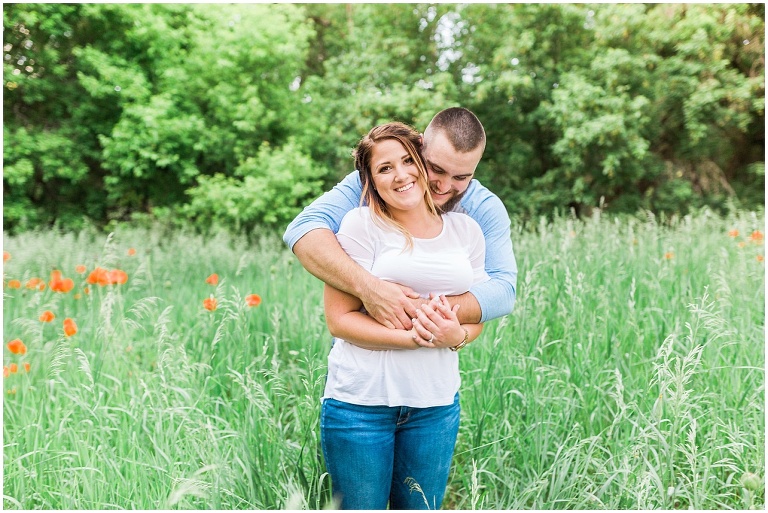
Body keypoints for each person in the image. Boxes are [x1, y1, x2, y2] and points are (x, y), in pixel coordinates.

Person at [320, 121, 489, 509]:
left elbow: (477, 315)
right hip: (360, 407)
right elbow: (340, 321)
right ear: (370, 180)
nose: (401, 175)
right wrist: (417, 338)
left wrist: (456, 337)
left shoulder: (466, 231)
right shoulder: (359, 226)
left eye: (408, 161)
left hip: (435, 408)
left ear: (421, 162)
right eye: (384, 168)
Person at [283, 107, 517, 329]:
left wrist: (415, 310)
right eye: (436, 169)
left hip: (432, 360)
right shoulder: (372, 185)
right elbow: (303, 229)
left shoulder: (483, 209)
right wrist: (371, 289)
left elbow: (503, 291)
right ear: (420, 146)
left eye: (461, 177)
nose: (444, 186)